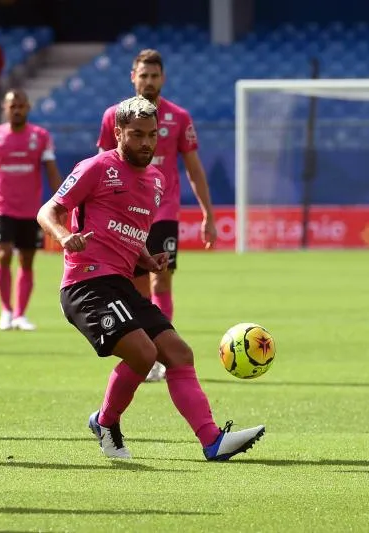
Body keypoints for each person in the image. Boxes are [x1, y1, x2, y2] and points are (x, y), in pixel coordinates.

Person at [37, 96, 264, 462]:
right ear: (118, 133)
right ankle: (107, 424)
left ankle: (212, 441)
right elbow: (47, 210)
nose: (146, 143)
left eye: (151, 135)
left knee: (178, 353)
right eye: (137, 135)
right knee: (144, 354)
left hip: (121, 284)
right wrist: (64, 237)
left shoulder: (156, 181)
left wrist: (146, 257)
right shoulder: (96, 167)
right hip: (86, 284)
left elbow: (128, 230)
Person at [97, 49, 217, 382]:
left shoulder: (179, 117)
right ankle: (146, 351)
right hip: (126, 216)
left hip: (163, 211)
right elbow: (101, 167)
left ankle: (163, 354)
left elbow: (193, 169)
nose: (149, 81)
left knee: (161, 277)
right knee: (135, 288)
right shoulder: (114, 116)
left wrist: (208, 213)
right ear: (132, 77)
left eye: (154, 76)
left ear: (162, 78)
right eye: (143, 75)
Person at [0, 89, 62, 330]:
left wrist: (61, 203)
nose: (17, 110)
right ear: (5, 108)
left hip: (32, 209)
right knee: (4, 253)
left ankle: (20, 315)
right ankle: (6, 311)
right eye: (13, 106)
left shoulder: (41, 136)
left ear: (28, 108)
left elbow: (51, 170)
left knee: (27, 259)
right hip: (2, 206)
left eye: (21, 105)